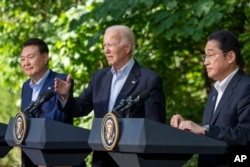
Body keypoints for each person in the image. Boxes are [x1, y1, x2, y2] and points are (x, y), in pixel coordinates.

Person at [54, 25, 166, 166]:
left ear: (127, 47)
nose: (106, 50)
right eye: (104, 45)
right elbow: (80, 107)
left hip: (133, 159)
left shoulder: (149, 80)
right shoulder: (99, 77)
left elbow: (155, 127)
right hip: (102, 158)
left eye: (111, 45)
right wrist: (65, 96)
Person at [170, 30, 250, 167]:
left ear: (230, 57)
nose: (205, 62)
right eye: (205, 57)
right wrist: (189, 127)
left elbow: (245, 135)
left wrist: (204, 130)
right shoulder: (215, 91)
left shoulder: (246, 87)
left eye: (211, 55)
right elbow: (214, 131)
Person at [20, 38, 75, 166]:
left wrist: (29, 126)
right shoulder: (26, 86)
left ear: (45, 58)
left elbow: (59, 117)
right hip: (30, 158)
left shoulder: (61, 81)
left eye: (30, 57)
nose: (26, 63)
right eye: (22, 59)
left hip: (55, 157)